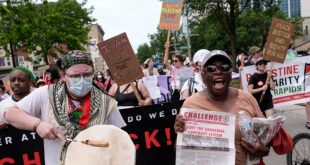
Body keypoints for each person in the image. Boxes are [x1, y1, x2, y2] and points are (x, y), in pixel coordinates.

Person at [1, 50, 126, 165]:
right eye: (76, 76)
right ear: (63, 74)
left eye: (87, 74)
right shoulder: (46, 94)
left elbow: (120, 139)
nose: (82, 80)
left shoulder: (106, 101)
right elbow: (10, 113)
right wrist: (37, 124)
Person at [174, 50, 270, 165]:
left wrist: (262, 150)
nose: (218, 71)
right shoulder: (190, 105)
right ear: (203, 76)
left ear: (230, 74)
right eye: (211, 68)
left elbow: (267, 143)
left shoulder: (247, 99)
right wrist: (180, 131)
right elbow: (180, 151)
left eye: (224, 67)